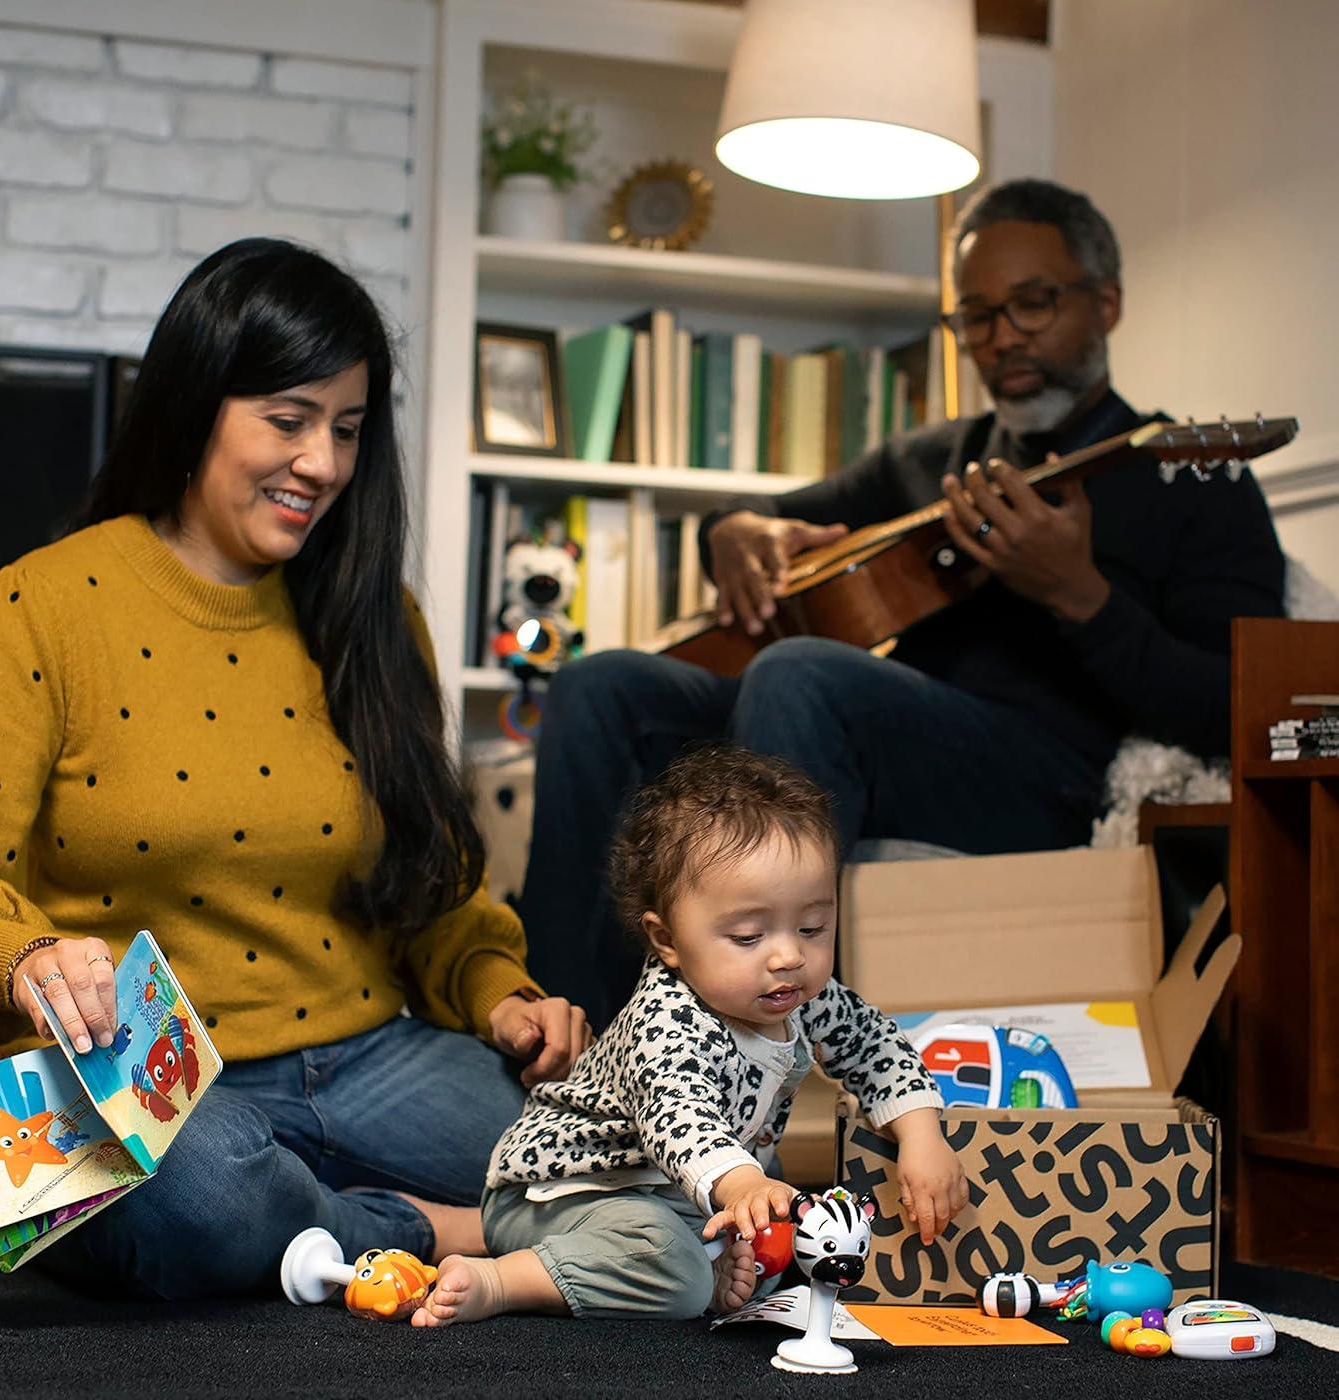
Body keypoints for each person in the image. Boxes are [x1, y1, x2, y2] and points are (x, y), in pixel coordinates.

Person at [0, 238, 591, 1299]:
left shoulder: (374, 618)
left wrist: (503, 997)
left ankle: (302, 1224)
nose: (324, 464)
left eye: (347, 431)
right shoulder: (43, 605)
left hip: (372, 1062)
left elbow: (434, 890)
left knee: (613, 1152)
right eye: (290, 420)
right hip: (157, 1085)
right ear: (199, 402)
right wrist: (27, 956)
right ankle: (409, 1226)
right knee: (192, 1192)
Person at [517, 178, 1287, 1029]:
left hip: (1047, 775)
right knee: (600, 687)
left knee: (802, 676)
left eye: (1031, 306)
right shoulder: (931, 460)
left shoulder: (1193, 480)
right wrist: (729, 531)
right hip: (885, 741)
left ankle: (749, 1061)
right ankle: (571, 1051)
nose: (1002, 340)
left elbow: (1237, 710)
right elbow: (768, 520)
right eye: (977, 318)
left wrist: (1082, 598)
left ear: (1106, 303)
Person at [411, 745, 963, 1327]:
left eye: (812, 927)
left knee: (793, 1245)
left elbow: (872, 1042)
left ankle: (712, 1264)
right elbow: (680, 1122)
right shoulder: (665, 1019)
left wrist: (921, 1134)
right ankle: (505, 1279)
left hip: (674, 1197)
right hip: (568, 1191)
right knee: (676, 1275)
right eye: (749, 937)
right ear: (667, 940)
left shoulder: (805, 995)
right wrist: (745, 1183)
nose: (788, 956)